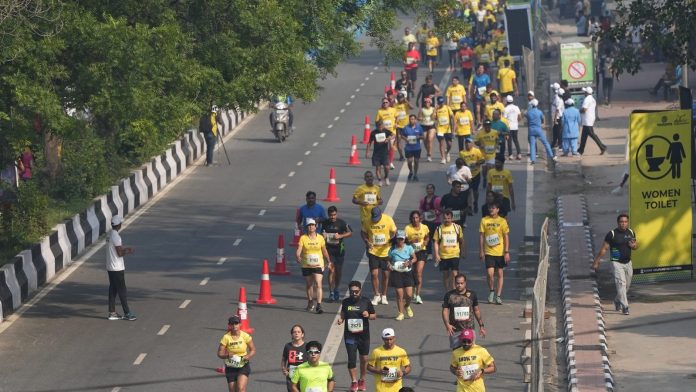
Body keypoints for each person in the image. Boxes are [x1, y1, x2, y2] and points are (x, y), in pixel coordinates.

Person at [591, 214, 638, 315]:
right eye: (621, 222)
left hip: (628, 263)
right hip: (616, 263)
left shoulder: (631, 232)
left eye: (625, 222)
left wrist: (634, 246)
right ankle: (625, 306)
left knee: (627, 285)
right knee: (621, 284)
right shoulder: (612, 234)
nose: (623, 224)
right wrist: (596, 261)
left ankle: (617, 300)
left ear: (627, 222)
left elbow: (635, 246)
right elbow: (604, 249)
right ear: (618, 223)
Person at [338, 281, 377, 391]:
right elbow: (343, 313)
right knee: (351, 359)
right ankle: (354, 381)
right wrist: (341, 319)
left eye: (356, 291)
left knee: (364, 358)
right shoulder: (345, 302)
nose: (354, 293)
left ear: (360, 291)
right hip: (350, 336)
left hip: (364, 336)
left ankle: (362, 380)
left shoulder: (366, 301)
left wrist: (368, 315)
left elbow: (374, 315)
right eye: (352, 291)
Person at [362, 207, 397, 305]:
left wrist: (391, 240)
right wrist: (367, 241)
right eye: (374, 219)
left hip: (386, 251)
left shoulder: (388, 219)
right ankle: (377, 295)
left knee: (385, 274)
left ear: (381, 214)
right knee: (374, 274)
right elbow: (363, 232)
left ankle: (384, 295)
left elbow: (394, 231)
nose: (375, 221)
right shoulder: (367, 221)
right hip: (373, 251)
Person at [296, 218, 332, 314]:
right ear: (307, 227)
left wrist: (328, 261)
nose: (311, 227)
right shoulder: (303, 238)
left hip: (318, 264)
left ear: (316, 226)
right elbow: (299, 248)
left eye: (312, 225)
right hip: (306, 265)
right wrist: (298, 255)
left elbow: (324, 250)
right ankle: (310, 301)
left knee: (318, 283)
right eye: (309, 225)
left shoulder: (320, 238)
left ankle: (319, 305)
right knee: (309, 285)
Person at [442, 274, 486, 350]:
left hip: (469, 329)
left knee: (470, 353)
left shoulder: (472, 294)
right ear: (455, 283)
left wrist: (481, 326)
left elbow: (476, 310)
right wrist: (447, 324)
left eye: (461, 283)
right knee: (456, 353)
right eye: (457, 283)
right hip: (455, 330)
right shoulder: (449, 295)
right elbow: (445, 310)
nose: (459, 285)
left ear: (465, 283)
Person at [106, 215, 136, 321]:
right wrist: (128, 250)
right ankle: (127, 313)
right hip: (117, 267)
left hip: (110, 266)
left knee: (113, 289)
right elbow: (119, 253)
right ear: (118, 225)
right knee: (122, 290)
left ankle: (112, 312)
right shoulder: (116, 237)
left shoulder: (109, 235)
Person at [479, 201, 510, 304]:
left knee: (500, 273)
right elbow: (481, 236)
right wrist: (481, 251)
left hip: (500, 252)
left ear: (498, 210)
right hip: (489, 251)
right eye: (490, 208)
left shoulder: (502, 221)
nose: (491, 209)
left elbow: (506, 236)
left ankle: (498, 295)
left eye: (493, 208)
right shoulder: (484, 220)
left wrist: (506, 251)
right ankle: (492, 291)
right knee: (490, 273)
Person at [218, 315, 257, 392]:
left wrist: (248, 356)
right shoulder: (226, 337)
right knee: (233, 390)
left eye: (236, 323)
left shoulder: (245, 336)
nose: (234, 326)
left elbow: (253, 350)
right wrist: (226, 355)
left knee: (240, 388)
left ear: (240, 324)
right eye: (232, 324)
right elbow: (219, 353)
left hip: (243, 365)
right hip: (230, 367)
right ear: (229, 325)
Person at [323, 206, 353, 302]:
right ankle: (331, 292)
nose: (333, 217)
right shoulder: (325, 223)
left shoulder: (341, 223)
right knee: (331, 270)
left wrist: (340, 235)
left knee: (338, 271)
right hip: (329, 250)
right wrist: (323, 236)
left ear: (337, 214)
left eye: (334, 215)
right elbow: (320, 234)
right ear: (328, 215)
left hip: (339, 250)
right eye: (331, 215)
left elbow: (350, 232)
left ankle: (336, 288)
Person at [433, 209, 466, 292]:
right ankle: (448, 291)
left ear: (452, 218)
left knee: (455, 274)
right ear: (442, 218)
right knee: (446, 275)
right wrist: (436, 254)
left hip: (454, 254)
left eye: (448, 218)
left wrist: (463, 251)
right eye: (445, 218)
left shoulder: (457, 227)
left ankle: (455, 291)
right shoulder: (439, 229)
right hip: (443, 255)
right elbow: (436, 242)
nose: (446, 220)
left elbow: (461, 240)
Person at [388, 231, 417, 321]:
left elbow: (415, 258)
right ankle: (400, 313)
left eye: (402, 239)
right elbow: (388, 260)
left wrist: (410, 262)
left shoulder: (409, 248)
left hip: (407, 272)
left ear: (404, 239)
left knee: (409, 295)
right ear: (396, 239)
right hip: (396, 273)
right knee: (399, 294)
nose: (400, 240)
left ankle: (407, 305)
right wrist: (389, 265)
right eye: (398, 238)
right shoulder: (392, 249)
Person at [404, 211, 429, 305]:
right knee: (412, 273)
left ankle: (418, 295)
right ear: (411, 219)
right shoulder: (408, 228)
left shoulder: (424, 227)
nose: (415, 219)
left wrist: (425, 242)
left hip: (422, 251)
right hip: (411, 252)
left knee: (419, 272)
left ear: (420, 218)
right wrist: (411, 241)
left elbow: (427, 237)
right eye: (413, 218)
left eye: (417, 218)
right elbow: (404, 241)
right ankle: (413, 289)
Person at [577, 87, 607, 155]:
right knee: (584, 136)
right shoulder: (592, 99)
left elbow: (584, 109)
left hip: (587, 120)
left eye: (584, 92)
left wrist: (578, 111)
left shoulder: (587, 99)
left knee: (592, 134)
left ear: (586, 93)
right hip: (589, 119)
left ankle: (602, 147)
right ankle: (580, 150)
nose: (584, 93)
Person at [526, 99, 557, 164]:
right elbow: (542, 120)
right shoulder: (539, 112)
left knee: (532, 145)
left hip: (531, 130)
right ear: (537, 105)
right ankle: (551, 156)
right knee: (545, 143)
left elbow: (528, 120)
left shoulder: (529, 113)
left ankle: (533, 159)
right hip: (538, 129)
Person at [459, 138, 485, 214]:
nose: (467, 144)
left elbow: (483, 160)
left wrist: (476, 163)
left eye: (469, 143)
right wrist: (465, 165)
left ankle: (475, 202)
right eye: (466, 143)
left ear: (472, 144)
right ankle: (470, 207)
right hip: (467, 175)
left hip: (476, 173)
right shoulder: (462, 153)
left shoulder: (477, 151)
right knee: (469, 191)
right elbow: (460, 162)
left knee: (475, 191)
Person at [366, 120, 394, 186]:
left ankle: (386, 177)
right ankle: (380, 180)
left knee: (387, 167)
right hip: (376, 153)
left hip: (385, 153)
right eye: (379, 127)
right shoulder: (373, 133)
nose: (380, 128)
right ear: (377, 127)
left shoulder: (386, 131)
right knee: (378, 168)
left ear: (383, 126)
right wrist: (367, 152)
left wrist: (389, 138)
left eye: (381, 127)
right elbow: (369, 142)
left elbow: (393, 135)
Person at [282, 325, 308, 392]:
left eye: (299, 332)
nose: (296, 333)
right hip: (291, 376)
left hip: (304, 376)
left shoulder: (307, 346)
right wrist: (284, 369)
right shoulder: (288, 346)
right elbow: (284, 359)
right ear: (292, 334)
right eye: (294, 332)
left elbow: (312, 360)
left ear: (302, 334)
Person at [474, 119, 499, 189]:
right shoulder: (480, 133)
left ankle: (490, 182)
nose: (487, 127)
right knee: (484, 170)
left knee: (491, 169)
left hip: (492, 154)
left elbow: (497, 140)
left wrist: (497, 147)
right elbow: (476, 141)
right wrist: (480, 144)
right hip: (483, 155)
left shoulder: (495, 132)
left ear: (490, 126)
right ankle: (485, 178)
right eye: (486, 126)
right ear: (484, 126)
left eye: (489, 125)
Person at [418, 184, 441, 257]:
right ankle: (429, 253)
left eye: (431, 189)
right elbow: (421, 209)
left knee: (436, 238)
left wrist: (435, 212)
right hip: (426, 222)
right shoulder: (423, 200)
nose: (429, 190)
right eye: (428, 188)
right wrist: (420, 216)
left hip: (436, 222)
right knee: (427, 237)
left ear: (434, 190)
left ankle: (438, 253)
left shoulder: (437, 199)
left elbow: (441, 210)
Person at [400, 114, 424, 181]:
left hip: (417, 148)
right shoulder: (406, 128)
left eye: (413, 119)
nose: (411, 120)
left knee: (416, 161)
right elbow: (402, 135)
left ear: (415, 120)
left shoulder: (419, 127)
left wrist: (419, 137)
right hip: (408, 148)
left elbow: (423, 136)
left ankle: (415, 174)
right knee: (409, 161)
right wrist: (406, 139)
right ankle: (411, 171)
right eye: (410, 119)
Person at [434, 95, 454, 164]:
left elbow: (452, 117)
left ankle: (447, 152)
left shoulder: (447, 108)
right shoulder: (437, 109)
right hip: (440, 129)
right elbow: (433, 118)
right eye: (440, 103)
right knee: (441, 143)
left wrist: (453, 129)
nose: (441, 104)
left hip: (448, 129)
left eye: (442, 102)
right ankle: (443, 158)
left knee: (449, 144)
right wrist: (435, 109)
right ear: (438, 103)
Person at [394, 93, 413, 162]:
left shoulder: (406, 104)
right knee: (399, 141)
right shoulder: (395, 105)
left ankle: (410, 153)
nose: (400, 99)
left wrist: (407, 101)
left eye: (401, 98)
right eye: (399, 98)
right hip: (398, 126)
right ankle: (401, 156)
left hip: (406, 125)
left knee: (409, 140)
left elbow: (412, 107)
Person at [417, 97, 436, 161]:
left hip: (431, 125)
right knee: (425, 140)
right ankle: (428, 151)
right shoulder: (422, 109)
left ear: (430, 103)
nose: (427, 103)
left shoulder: (433, 109)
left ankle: (429, 154)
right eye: (425, 102)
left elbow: (434, 118)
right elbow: (418, 117)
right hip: (423, 125)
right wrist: (421, 118)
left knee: (430, 139)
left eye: (428, 102)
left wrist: (434, 112)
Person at [503, 96, 522, 160]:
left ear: (507, 101)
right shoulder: (516, 107)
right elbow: (520, 117)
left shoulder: (506, 109)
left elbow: (504, 120)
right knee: (516, 140)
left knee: (509, 141)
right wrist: (516, 122)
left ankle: (511, 155)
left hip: (509, 127)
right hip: (515, 127)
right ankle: (519, 154)